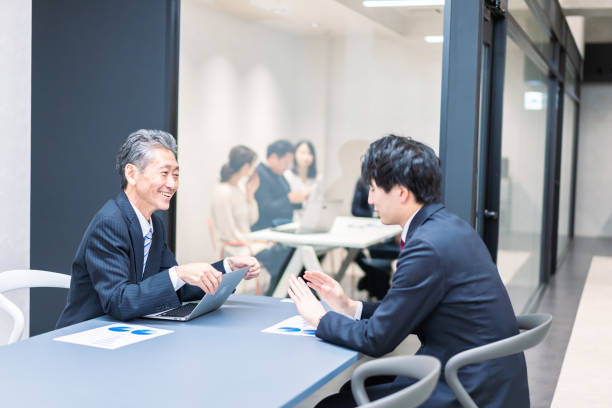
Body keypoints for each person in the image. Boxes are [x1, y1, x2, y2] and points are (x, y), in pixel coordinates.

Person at [288, 135, 529, 407]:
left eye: (374, 189)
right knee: (357, 388)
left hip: (463, 386)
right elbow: (406, 310)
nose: (369, 199)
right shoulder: (450, 227)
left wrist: (319, 319)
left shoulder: (426, 246)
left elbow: (377, 340)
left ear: (401, 192)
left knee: (332, 404)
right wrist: (348, 305)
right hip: (485, 376)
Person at [56, 130, 260, 328]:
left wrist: (226, 268)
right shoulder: (110, 223)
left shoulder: (154, 224)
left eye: (176, 175)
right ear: (132, 173)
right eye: (164, 173)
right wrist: (179, 273)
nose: (172, 184)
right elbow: (120, 302)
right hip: (87, 335)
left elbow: (176, 289)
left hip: (126, 332)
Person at [210, 145, 271, 293]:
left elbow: (252, 220)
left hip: (244, 242)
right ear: (245, 166)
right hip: (233, 246)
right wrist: (250, 243)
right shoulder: (223, 191)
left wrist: (250, 194)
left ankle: (274, 291)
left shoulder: (241, 188)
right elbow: (227, 232)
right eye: (253, 165)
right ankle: (274, 292)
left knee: (277, 251)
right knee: (275, 254)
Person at [252, 140, 309, 230]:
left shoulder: (279, 175)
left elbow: (287, 198)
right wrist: (289, 199)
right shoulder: (259, 175)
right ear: (273, 157)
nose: (287, 167)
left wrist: (299, 198)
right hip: (266, 229)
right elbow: (264, 208)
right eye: (286, 163)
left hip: (282, 226)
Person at [284, 140, 319, 221]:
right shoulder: (287, 175)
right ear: (294, 155)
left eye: (309, 153)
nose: (306, 157)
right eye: (302, 153)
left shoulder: (317, 178)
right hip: (291, 220)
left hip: (312, 220)